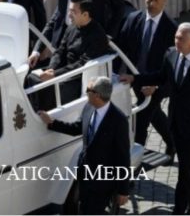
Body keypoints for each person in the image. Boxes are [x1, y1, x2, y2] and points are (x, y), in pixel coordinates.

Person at [121, 23, 190, 215]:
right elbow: (161, 77)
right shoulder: (171, 54)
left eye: (181, 39)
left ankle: (179, 210)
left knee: (185, 169)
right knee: (189, 165)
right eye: (176, 37)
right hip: (176, 122)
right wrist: (136, 79)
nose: (177, 41)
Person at [38, 76, 130, 214]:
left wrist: (123, 190)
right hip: (85, 176)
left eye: (88, 90)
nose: (85, 93)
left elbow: (123, 157)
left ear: (97, 95)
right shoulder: (89, 107)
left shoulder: (118, 120)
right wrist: (52, 123)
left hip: (103, 182)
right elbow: (77, 128)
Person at [116, 0, 177, 156]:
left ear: (164, 1)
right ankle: (172, 142)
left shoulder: (171, 29)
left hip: (156, 83)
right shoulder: (133, 19)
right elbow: (121, 48)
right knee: (154, 112)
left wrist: (156, 86)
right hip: (136, 77)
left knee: (141, 118)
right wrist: (116, 73)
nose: (152, 3)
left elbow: (172, 66)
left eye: (156, 0)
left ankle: (135, 161)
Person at [28, 0, 110, 107]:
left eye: (73, 12)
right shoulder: (71, 27)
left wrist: (55, 74)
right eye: (69, 11)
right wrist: (51, 68)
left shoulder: (97, 35)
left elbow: (82, 64)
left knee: (45, 87)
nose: (69, 15)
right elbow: (60, 51)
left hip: (77, 79)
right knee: (32, 77)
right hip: (63, 71)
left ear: (85, 15)